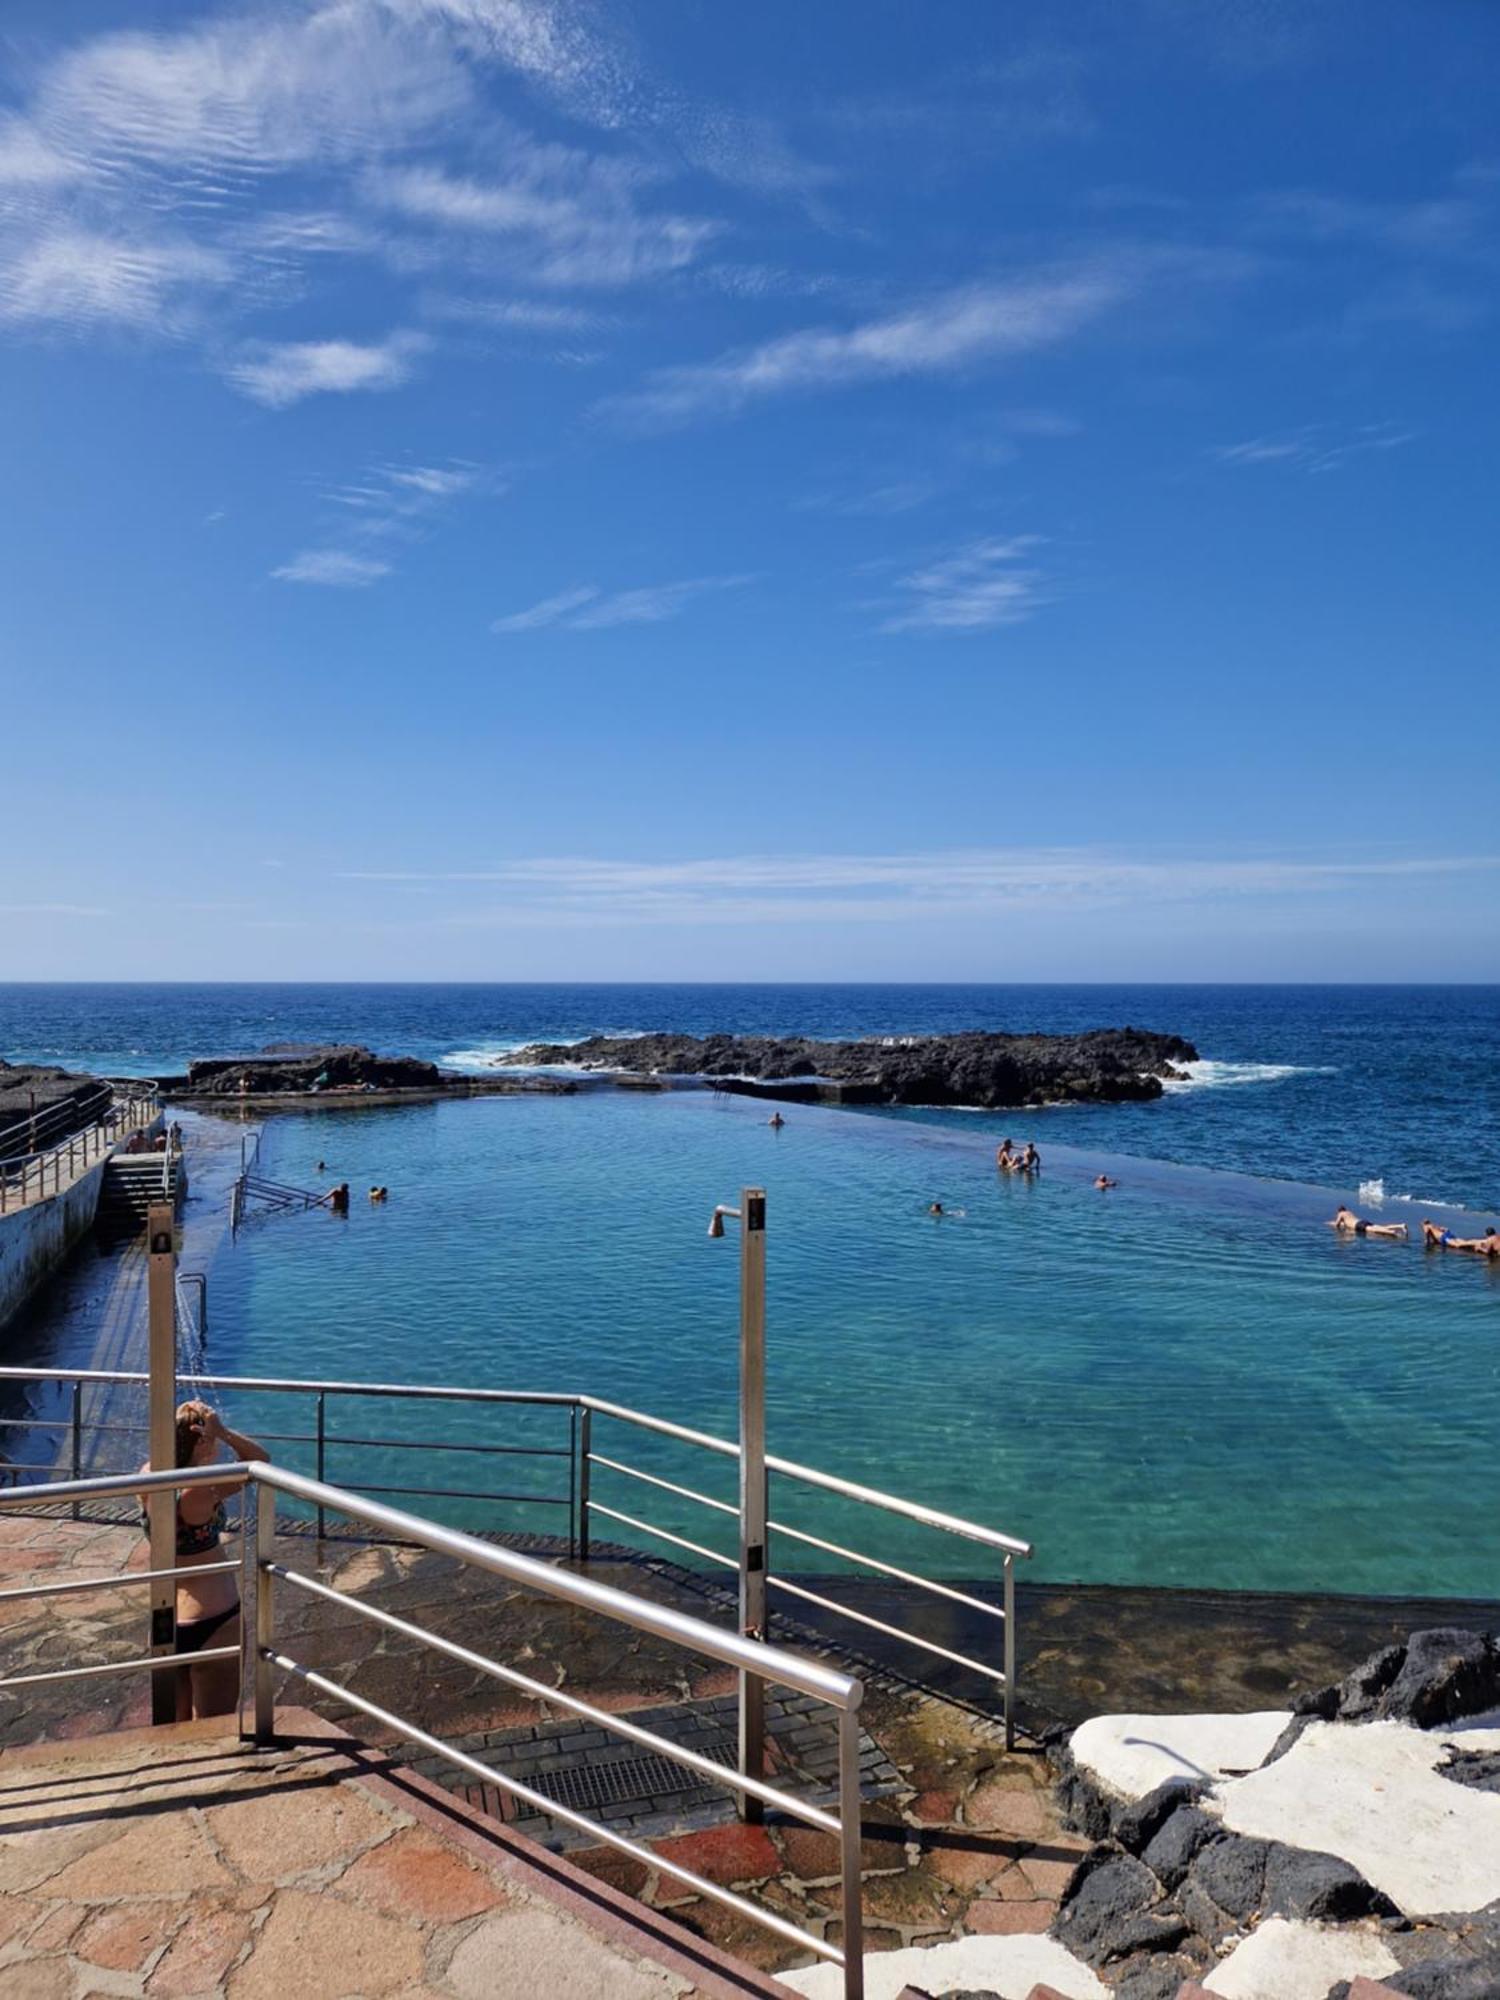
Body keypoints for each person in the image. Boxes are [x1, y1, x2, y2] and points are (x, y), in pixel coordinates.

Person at [137, 1401, 267, 1721]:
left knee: (173, 1725)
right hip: (214, 1617)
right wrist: (223, 1432)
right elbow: (260, 1462)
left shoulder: (149, 1476)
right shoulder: (201, 1490)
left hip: (166, 1616)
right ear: (202, 1440)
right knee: (213, 1727)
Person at [1329, 1205, 1408, 1241]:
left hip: (1358, 1226)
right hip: (1362, 1221)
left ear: (1339, 1211)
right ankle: (1400, 1225)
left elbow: (1337, 1224)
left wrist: (1333, 1224)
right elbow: (1348, 1222)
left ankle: (1392, 1232)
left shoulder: (1341, 1214)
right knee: (1381, 1226)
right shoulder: (1349, 1212)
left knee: (1375, 1230)